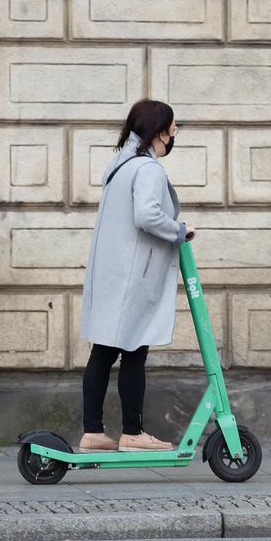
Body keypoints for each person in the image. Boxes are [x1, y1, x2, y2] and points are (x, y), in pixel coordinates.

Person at [78, 99, 196, 452]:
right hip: (133, 276)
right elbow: (147, 215)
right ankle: (132, 432)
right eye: (173, 130)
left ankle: (93, 431)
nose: (174, 136)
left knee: (103, 351)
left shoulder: (119, 165)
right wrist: (179, 229)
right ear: (160, 132)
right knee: (133, 351)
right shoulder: (147, 169)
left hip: (113, 273)